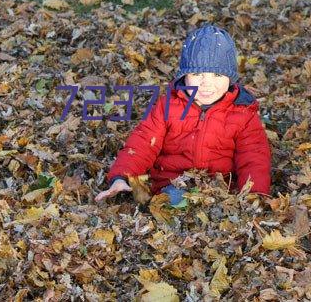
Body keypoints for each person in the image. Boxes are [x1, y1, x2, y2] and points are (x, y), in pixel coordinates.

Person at [95, 24, 271, 205]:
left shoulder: (242, 113)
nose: (206, 83)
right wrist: (122, 177)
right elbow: (143, 143)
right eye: (197, 73)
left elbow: (253, 157)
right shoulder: (168, 106)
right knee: (176, 202)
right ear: (184, 76)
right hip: (173, 184)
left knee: (218, 208)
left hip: (221, 190)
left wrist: (253, 196)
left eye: (217, 75)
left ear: (231, 78)